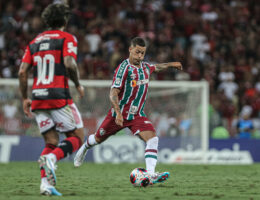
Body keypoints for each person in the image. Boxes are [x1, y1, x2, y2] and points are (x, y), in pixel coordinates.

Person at [74, 37, 182, 185]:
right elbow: (113, 92)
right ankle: (84, 148)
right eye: (137, 52)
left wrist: (171, 65)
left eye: (143, 53)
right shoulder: (123, 69)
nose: (140, 56)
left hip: (137, 115)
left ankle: (150, 175)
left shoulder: (144, 67)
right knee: (98, 138)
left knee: (153, 139)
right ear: (130, 50)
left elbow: (155, 67)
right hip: (118, 115)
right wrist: (118, 113)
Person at [18, 3, 85, 196]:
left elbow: (22, 72)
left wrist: (24, 98)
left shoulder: (35, 41)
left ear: (47, 20)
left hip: (37, 98)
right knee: (77, 137)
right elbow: (69, 63)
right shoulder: (67, 38)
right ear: (65, 19)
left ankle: (45, 185)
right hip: (59, 96)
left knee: (51, 142)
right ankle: (52, 160)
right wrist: (78, 84)